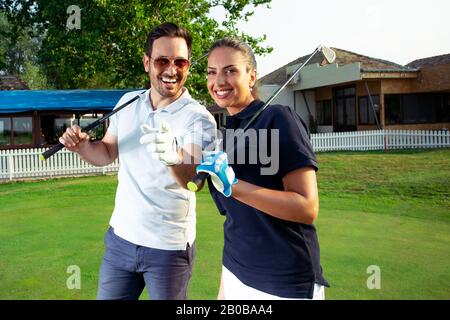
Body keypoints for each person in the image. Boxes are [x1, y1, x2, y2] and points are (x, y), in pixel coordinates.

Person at [58, 22, 216, 300]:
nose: (171, 70)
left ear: (188, 66)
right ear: (147, 63)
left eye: (180, 61)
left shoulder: (198, 117)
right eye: (162, 61)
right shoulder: (128, 102)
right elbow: (106, 153)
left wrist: (173, 158)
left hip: (168, 248)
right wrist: (83, 147)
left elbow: (193, 181)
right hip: (121, 240)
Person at [195, 38, 329, 300]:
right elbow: (235, 217)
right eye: (212, 72)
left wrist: (234, 186)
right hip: (235, 269)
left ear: (252, 76)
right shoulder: (227, 134)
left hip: (283, 281)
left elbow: (306, 208)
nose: (218, 81)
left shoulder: (279, 118)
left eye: (231, 70)